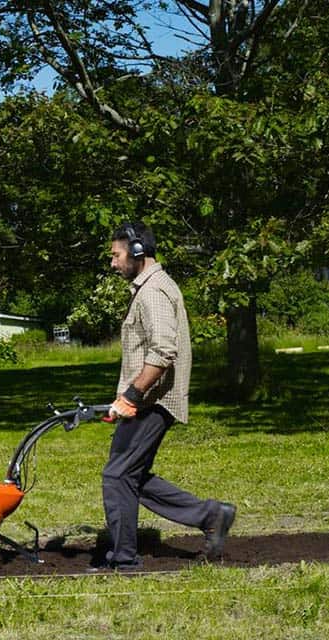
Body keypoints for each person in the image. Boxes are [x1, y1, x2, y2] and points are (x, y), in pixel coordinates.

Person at [94, 221, 235, 572]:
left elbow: (162, 352)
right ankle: (212, 516)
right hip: (145, 400)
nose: (112, 263)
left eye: (116, 255)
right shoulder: (149, 288)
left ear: (138, 252)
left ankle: (124, 559)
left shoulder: (153, 291)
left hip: (152, 401)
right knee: (130, 476)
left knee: (117, 477)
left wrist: (131, 395)